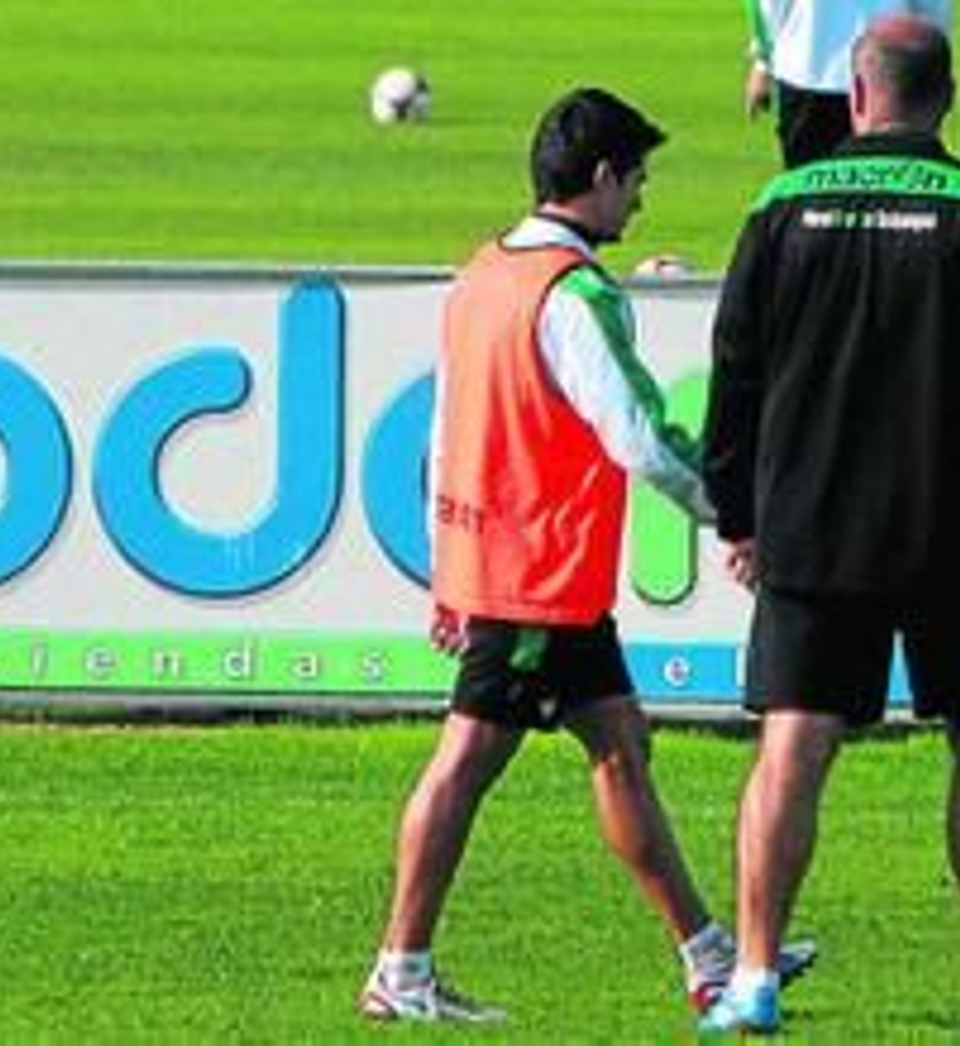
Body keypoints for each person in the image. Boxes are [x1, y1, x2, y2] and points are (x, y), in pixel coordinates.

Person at [700, 15, 960, 1038]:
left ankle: (751, 979)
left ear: (853, 95)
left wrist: (739, 513)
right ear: (950, 95)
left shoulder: (779, 207)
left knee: (792, 742)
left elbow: (734, 374)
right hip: (950, 527)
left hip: (809, 523)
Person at [357, 86, 813, 1024]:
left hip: (513, 567)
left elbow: (447, 435)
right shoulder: (574, 295)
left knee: (620, 750)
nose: (639, 201)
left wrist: (450, 571)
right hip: (537, 575)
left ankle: (709, 955)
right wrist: (734, 519)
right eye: (635, 180)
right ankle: (399, 969)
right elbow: (640, 436)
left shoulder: (483, 274)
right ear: (601, 179)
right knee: (467, 761)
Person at [743, 0, 953, 168]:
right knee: (892, 195)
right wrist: (933, 64)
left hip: (809, 69)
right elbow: (934, 8)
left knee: (810, 200)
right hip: (890, 72)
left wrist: (763, 62)